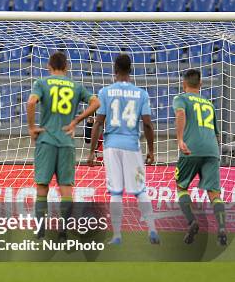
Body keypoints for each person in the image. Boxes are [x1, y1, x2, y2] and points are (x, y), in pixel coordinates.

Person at [27, 51, 100, 240]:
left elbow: (31, 102)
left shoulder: (41, 83)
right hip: (67, 142)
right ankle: (63, 228)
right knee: (66, 187)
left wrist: (32, 127)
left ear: (48, 67)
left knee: (42, 186)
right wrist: (76, 121)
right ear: (67, 67)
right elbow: (96, 102)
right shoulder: (75, 86)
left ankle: (41, 228)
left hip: (46, 141)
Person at [87, 54, 159, 245]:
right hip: (132, 146)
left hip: (111, 147)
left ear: (115, 70)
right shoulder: (141, 93)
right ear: (131, 70)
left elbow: (98, 124)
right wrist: (151, 150)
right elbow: (148, 125)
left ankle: (117, 235)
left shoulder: (105, 92)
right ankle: (152, 230)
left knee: (116, 192)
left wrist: (92, 151)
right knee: (140, 190)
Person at [172, 69, 227, 246]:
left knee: (181, 187)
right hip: (212, 150)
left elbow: (180, 113)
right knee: (214, 193)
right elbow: (217, 135)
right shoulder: (209, 104)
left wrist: (180, 139)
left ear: (184, 84)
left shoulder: (181, 98)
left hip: (191, 148)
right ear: (201, 84)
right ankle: (221, 227)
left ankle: (192, 222)